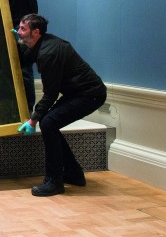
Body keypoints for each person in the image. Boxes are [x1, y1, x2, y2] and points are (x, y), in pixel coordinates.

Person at [15, 14, 107, 197]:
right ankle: (73, 174)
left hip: (90, 94)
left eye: (23, 29)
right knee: (50, 123)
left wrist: (33, 120)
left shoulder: (48, 53)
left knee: (48, 123)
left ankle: (54, 181)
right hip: (78, 93)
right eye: (19, 27)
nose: (19, 31)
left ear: (36, 32)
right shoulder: (42, 43)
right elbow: (27, 56)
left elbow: (50, 94)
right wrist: (17, 40)